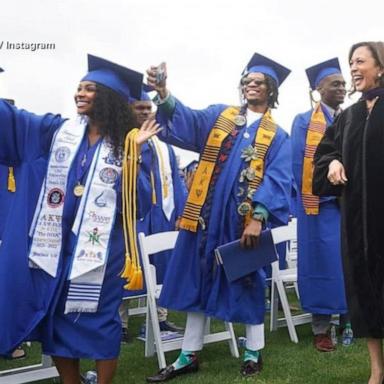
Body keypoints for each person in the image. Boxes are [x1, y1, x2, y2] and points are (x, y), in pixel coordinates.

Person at [0, 55, 160, 384]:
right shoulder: (59, 131)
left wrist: (132, 159)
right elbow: (16, 122)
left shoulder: (131, 143)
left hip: (103, 247)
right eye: (78, 88)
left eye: (89, 89)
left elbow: (140, 203)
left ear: (109, 99)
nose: (80, 94)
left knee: (99, 318)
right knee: (57, 315)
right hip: (57, 244)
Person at [145, 53, 292, 381]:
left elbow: (279, 177)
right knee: (199, 279)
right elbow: (187, 120)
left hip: (241, 223)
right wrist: (164, 94)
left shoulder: (278, 135)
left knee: (248, 281)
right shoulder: (220, 116)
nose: (252, 85)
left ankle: (254, 352)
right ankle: (188, 354)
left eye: (260, 81)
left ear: (271, 90)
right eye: (248, 80)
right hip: (205, 216)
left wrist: (259, 217)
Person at [313, 41, 384, 384]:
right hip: (356, 222)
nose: (353, 68)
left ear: (380, 67)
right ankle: (376, 369)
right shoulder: (348, 116)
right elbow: (322, 155)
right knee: (364, 291)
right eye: (350, 62)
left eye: (360, 61)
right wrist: (333, 161)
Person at [291, 58, 350, 352]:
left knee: (349, 262)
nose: (342, 88)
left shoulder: (351, 117)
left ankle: (350, 321)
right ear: (319, 88)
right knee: (322, 264)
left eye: (343, 83)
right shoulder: (304, 121)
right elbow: (298, 165)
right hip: (318, 206)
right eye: (335, 84)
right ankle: (321, 328)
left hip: (349, 204)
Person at [119, 90, 186, 342]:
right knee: (130, 265)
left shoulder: (163, 141)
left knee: (161, 265)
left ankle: (159, 318)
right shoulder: (126, 139)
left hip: (165, 214)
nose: (146, 112)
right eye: (140, 108)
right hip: (139, 213)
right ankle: (121, 323)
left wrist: (181, 212)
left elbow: (175, 180)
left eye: (149, 108)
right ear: (130, 110)